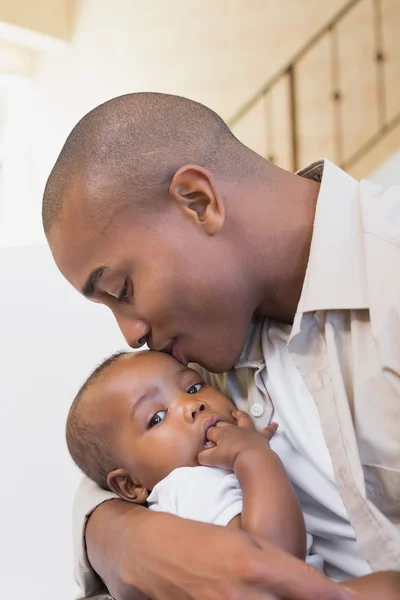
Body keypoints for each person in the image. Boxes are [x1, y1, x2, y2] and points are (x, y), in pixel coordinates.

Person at [42, 92, 400, 599]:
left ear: (198, 202)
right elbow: (116, 452)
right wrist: (116, 537)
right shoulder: (202, 350)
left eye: (123, 290)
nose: (131, 335)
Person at [66, 350, 307, 561]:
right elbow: (276, 561)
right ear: (130, 484)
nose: (193, 404)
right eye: (157, 418)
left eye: (193, 387)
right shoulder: (189, 486)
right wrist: (254, 455)